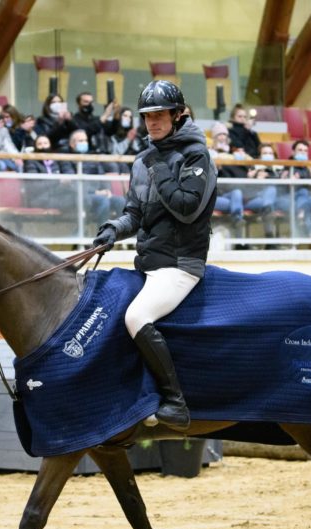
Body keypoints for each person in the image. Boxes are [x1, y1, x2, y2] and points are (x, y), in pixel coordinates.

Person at [91, 80, 217, 430]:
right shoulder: (143, 159)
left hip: (181, 264)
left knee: (137, 316)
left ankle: (176, 403)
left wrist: (161, 167)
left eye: (160, 115)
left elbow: (188, 209)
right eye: (147, 116)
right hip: (149, 263)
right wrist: (114, 228)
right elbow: (135, 213)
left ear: (178, 115)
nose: (152, 123)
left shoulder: (196, 156)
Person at [59, 128, 122, 226]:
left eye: (85, 140)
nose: (84, 143)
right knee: (103, 200)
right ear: (72, 144)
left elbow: (102, 176)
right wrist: (95, 192)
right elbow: (73, 181)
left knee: (121, 201)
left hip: (98, 193)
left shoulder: (91, 157)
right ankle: (103, 236)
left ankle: (121, 233)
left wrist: (107, 190)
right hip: (80, 196)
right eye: (81, 141)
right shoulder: (66, 159)